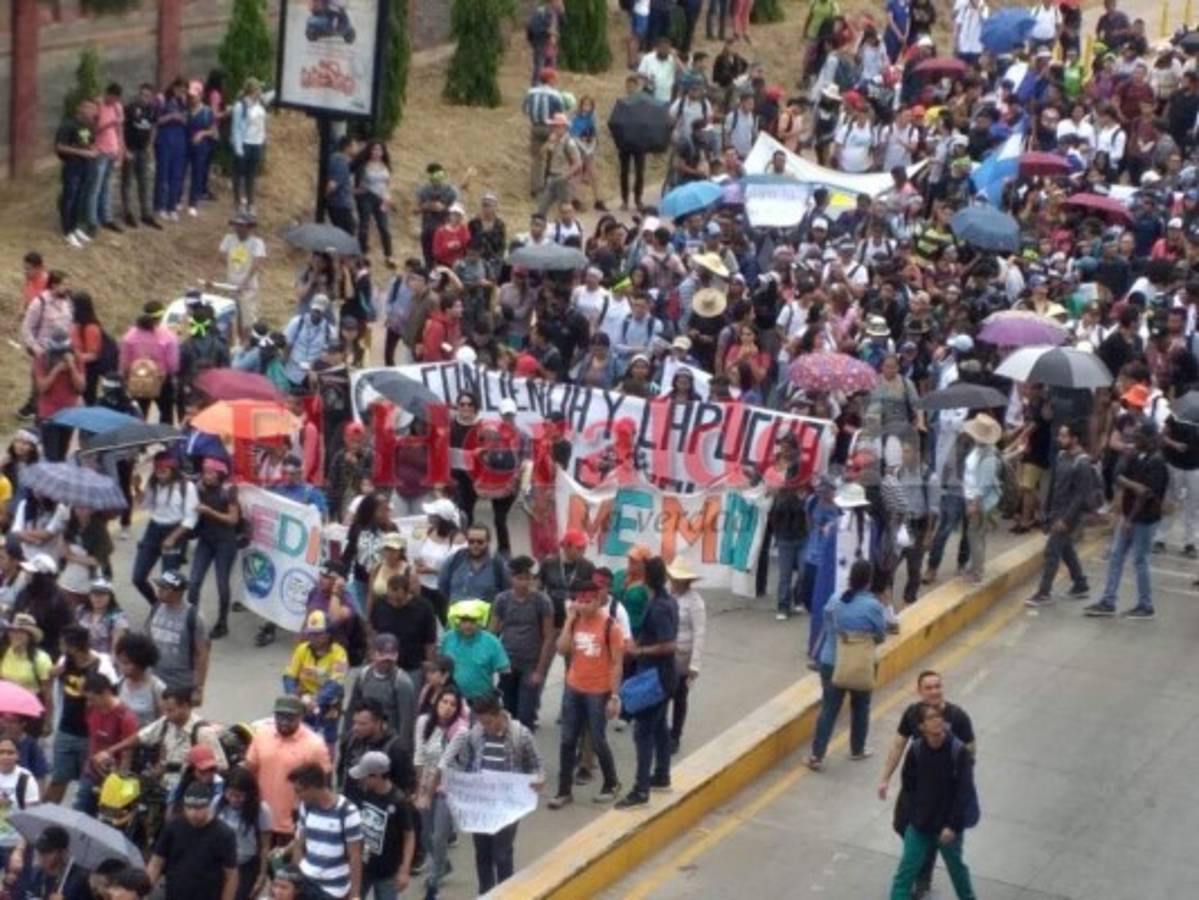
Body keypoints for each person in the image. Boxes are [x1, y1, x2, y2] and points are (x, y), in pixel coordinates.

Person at [878, 670, 977, 899]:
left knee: (957, 871)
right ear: (920, 726)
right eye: (928, 687)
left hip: (947, 818)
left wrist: (953, 825)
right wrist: (886, 779)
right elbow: (904, 766)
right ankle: (923, 870)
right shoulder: (917, 746)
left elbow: (964, 786)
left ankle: (927, 875)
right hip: (921, 819)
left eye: (937, 686)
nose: (934, 691)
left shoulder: (958, 735)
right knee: (904, 869)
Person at [438, 692, 544, 894]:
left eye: (487, 722)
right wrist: (453, 785)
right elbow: (466, 765)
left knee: (502, 853)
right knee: (482, 853)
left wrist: (539, 779)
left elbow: (537, 765)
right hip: (482, 803)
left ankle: (506, 893)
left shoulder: (520, 735)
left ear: (498, 715)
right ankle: (485, 892)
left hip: (509, 804)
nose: (484, 726)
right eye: (480, 722)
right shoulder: (476, 733)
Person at [548, 575, 625, 809]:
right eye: (579, 601)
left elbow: (617, 664)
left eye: (588, 601)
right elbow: (561, 649)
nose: (583, 605)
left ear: (598, 601)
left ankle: (611, 783)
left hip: (598, 691)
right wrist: (569, 620)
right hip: (574, 687)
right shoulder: (574, 621)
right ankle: (564, 790)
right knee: (568, 739)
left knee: (598, 739)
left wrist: (613, 696)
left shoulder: (611, 626)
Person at [805, 560, 887, 771]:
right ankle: (857, 749)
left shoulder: (835, 599)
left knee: (829, 709)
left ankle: (816, 755)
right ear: (868, 581)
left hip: (831, 661)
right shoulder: (873, 606)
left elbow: (827, 624)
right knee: (861, 707)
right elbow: (880, 635)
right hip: (860, 664)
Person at [1085, 421, 1169, 619]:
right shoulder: (1136, 456)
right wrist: (1132, 485)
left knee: (1140, 560)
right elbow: (1117, 476)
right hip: (1129, 515)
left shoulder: (1157, 462)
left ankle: (1146, 605)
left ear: (1149, 439)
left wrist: (1130, 519)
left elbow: (1147, 494)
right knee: (1116, 556)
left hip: (1144, 519)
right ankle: (1108, 601)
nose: (1134, 439)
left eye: (1139, 436)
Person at [616, 557, 678, 809]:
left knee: (643, 732)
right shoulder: (666, 601)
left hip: (655, 677)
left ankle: (641, 789)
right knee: (659, 727)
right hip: (664, 676)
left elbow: (668, 644)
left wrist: (639, 651)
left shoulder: (660, 606)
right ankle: (661, 774)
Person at [97, 685, 227, 797]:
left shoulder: (203, 732)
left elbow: (221, 766)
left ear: (185, 706)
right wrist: (110, 751)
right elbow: (141, 736)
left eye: (170, 710)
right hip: (163, 787)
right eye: (165, 710)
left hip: (186, 793)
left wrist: (195, 772)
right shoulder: (166, 722)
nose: (166, 714)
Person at [244, 696, 330, 848]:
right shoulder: (261, 735)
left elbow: (323, 785)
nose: (284, 721)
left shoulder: (315, 745)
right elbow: (248, 771)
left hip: (294, 825)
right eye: (280, 716)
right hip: (260, 820)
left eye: (290, 717)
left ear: (301, 717)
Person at [1025, 422, 1094, 608]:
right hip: (1056, 512)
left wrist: (1066, 520)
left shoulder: (1082, 463)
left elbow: (1080, 496)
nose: (1060, 439)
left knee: (1052, 551)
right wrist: (1046, 511)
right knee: (1066, 549)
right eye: (1060, 435)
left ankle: (1044, 592)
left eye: (1064, 436)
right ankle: (1080, 583)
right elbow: (1054, 486)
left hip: (1068, 516)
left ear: (1075, 439)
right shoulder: (1061, 456)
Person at [490, 556, 555, 730]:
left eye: (528, 578)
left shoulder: (542, 601)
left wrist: (540, 670)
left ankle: (525, 750)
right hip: (507, 661)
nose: (524, 583)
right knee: (508, 711)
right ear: (512, 579)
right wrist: (490, 662)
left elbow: (548, 637)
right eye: (519, 578)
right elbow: (493, 632)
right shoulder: (502, 600)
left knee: (525, 714)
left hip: (531, 663)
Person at [148, 781, 239, 900]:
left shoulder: (224, 834)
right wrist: (143, 892)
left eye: (199, 808)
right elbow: (156, 863)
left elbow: (231, 875)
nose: (193, 813)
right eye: (189, 807)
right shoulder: (172, 828)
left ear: (209, 805)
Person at [289, 762, 363, 900]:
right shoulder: (306, 807)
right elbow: (299, 844)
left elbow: (355, 856)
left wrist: (355, 894)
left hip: (333, 890)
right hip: (306, 881)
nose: (297, 796)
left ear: (312, 788)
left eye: (299, 791)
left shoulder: (347, 811)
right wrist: (295, 878)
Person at [131, 453, 197, 607]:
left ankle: (168, 611)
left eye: (163, 470)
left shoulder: (187, 487)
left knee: (168, 583)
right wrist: (136, 487)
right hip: (153, 530)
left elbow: (191, 518)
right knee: (138, 578)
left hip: (174, 531)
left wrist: (173, 538)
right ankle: (156, 607)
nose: (159, 474)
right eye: (157, 470)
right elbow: (143, 505)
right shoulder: (153, 484)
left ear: (173, 469)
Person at [348, 751, 416, 900]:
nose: (361, 780)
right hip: (363, 867)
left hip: (388, 871)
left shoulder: (398, 801)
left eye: (364, 776)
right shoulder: (363, 792)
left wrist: (404, 869)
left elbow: (409, 835)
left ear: (376, 776)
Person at [188, 458, 239, 639]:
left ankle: (222, 623)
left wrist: (209, 512)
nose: (206, 476)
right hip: (206, 540)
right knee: (193, 582)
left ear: (220, 474)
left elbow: (233, 519)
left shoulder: (228, 490)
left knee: (222, 583)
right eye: (204, 471)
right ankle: (191, 621)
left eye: (210, 472)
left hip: (225, 542)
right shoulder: (198, 487)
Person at [75, 671, 137, 815]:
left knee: (108, 818)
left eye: (93, 699)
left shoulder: (125, 716)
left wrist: (119, 782)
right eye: (87, 699)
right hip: (91, 772)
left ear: (106, 692)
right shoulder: (91, 709)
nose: (89, 703)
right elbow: (92, 738)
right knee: (80, 811)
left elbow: (128, 753)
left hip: (113, 777)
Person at [146, 570, 210, 700]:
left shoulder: (194, 616)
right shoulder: (156, 607)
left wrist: (199, 688)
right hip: (154, 676)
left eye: (164, 588)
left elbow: (202, 654)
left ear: (177, 592)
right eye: (159, 586)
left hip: (180, 681)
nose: (159, 590)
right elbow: (147, 638)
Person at [666, 559, 706, 754]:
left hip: (683, 655)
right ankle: (663, 730)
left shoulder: (695, 602)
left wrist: (695, 665)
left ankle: (675, 735)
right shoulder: (668, 596)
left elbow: (699, 633)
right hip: (667, 653)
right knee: (664, 694)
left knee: (680, 697)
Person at [214, 766, 272, 900]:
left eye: (239, 796)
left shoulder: (261, 810)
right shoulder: (217, 803)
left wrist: (262, 875)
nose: (234, 799)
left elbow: (265, 846)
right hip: (220, 864)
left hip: (246, 865)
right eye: (230, 794)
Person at [960, 415, 1002, 585]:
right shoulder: (978, 448)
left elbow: (983, 486)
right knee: (976, 534)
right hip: (970, 497)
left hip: (979, 502)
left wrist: (974, 505)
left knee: (975, 535)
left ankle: (977, 571)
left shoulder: (989, 456)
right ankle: (973, 565)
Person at [439, 602, 510, 704]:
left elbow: (505, 671)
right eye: (464, 621)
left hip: (481, 701)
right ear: (458, 621)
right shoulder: (448, 638)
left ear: (479, 622)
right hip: (452, 700)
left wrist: (497, 695)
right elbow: (440, 666)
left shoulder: (491, 642)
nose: (468, 625)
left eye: (472, 621)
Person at [19, 825, 91, 900]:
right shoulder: (34, 875)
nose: (42, 856)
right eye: (40, 850)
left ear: (63, 852)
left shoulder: (78, 881)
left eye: (48, 851)